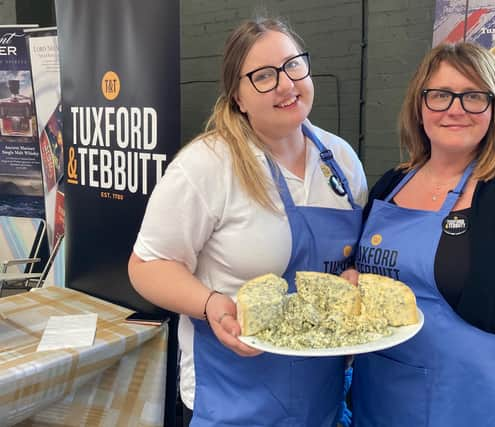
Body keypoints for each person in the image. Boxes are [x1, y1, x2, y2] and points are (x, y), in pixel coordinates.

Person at [128, 17, 367, 427]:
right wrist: (209, 305)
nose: (286, 84)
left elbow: (353, 256)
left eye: (294, 65)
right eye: (263, 76)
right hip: (234, 397)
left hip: (320, 394)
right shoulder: (206, 165)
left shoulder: (341, 159)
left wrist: (352, 278)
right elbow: (146, 266)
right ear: (238, 97)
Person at [349, 42, 495, 427]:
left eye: (473, 96)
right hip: (380, 403)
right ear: (419, 105)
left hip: (479, 406)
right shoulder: (390, 185)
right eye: (441, 95)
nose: (455, 109)